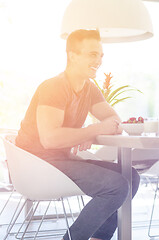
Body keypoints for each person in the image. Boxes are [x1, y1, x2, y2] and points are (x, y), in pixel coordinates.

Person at [15, 29, 140, 240]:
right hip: (37, 165)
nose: (99, 60)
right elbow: (50, 139)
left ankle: (97, 238)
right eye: (92, 54)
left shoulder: (89, 89)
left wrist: (86, 135)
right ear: (72, 55)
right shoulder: (53, 86)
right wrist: (92, 131)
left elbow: (115, 121)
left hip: (60, 161)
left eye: (101, 55)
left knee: (130, 176)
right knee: (116, 185)